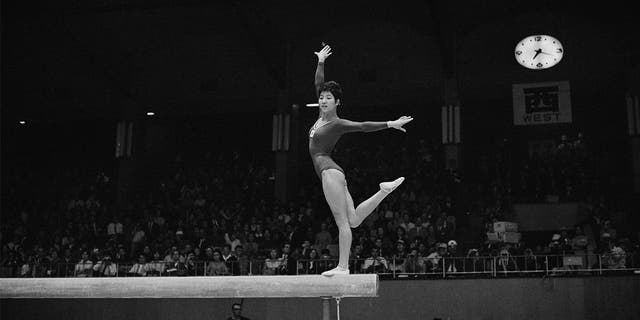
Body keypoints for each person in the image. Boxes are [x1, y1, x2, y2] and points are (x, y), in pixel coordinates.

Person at [310, 44, 413, 276]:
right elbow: (318, 83)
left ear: (337, 103)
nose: (324, 100)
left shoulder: (338, 123)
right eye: (322, 98)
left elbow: (363, 126)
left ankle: (343, 267)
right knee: (355, 220)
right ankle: (384, 191)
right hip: (333, 172)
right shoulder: (321, 116)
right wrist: (321, 61)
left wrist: (390, 123)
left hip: (329, 172)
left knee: (342, 223)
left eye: (329, 98)